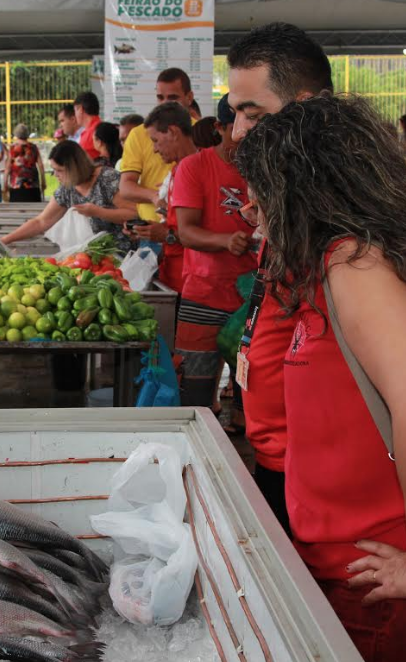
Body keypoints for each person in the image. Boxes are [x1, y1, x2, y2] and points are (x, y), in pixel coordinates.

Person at [237, 93, 406, 662]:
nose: (253, 214)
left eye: (260, 198)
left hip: (386, 582)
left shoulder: (356, 263)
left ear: (300, 193)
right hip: (371, 569)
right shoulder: (379, 257)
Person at [226, 21, 334, 535]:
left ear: (306, 108)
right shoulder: (283, 206)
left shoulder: (341, 232)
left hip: (316, 477)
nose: (238, 131)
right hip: (276, 456)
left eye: (254, 114)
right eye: (235, 113)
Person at [169, 94, 255, 431]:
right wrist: (225, 241)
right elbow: (186, 232)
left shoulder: (262, 167)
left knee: (250, 390)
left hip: (252, 297)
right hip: (203, 292)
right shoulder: (193, 167)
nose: (243, 137)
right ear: (218, 127)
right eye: (236, 128)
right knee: (195, 391)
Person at [119, 67, 195, 278]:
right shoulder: (139, 134)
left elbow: (203, 230)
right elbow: (125, 187)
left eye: (173, 97)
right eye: (160, 97)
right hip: (153, 234)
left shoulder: (202, 139)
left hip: (183, 243)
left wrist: (170, 234)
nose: (165, 103)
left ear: (189, 98)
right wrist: (155, 197)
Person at [0, 141, 137, 254]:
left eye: (59, 170)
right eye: (53, 169)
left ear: (75, 168)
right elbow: (41, 221)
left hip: (120, 257)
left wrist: (98, 212)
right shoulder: (67, 188)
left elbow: (134, 213)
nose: (55, 175)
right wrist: (5, 240)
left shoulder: (107, 179)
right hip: (88, 258)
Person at [141, 102, 198, 294]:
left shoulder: (199, 171)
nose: (155, 149)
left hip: (192, 282)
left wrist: (166, 235)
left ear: (173, 132)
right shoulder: (176, 171)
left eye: (155, 140)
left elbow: (207, 231)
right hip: (172, 276)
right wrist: (151, 230)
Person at [3, 123, 45, 203]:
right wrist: (43, 182)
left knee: (16, 213)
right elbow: (41, 165)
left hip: (16, 187)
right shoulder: (33, 148)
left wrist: (5, 184)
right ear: (27, 134)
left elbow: (8, 168)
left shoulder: (12, 149)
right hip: (33, 186)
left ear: (16, 134)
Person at [74, 92, 102, 161]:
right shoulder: (100, 126)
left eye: (75, 111)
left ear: (80, 109)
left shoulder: (91, 134)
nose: (75, 116)